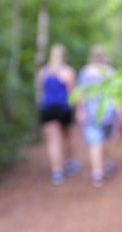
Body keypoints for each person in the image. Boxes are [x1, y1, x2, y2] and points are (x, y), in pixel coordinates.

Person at [76, 45, 122, 188]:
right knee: (106, 140)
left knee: (95, 143)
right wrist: (121, 111)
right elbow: (117, 94)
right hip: (107, 111)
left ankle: (97, 172)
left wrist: (80, 111)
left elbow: (81, 93)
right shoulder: (110, 71)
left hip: (92, 112)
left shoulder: (85, 72)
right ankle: (106, 164)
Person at [36, 44, 79, 185]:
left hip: (47, 109)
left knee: (53, 141)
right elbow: (73, 94)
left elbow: (41, 91)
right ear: (64, 56)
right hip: (63, 108)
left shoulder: (43, 72)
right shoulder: (68, 72)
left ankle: (57, 171)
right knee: (66, 137)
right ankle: (70, 162)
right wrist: (77, 110)